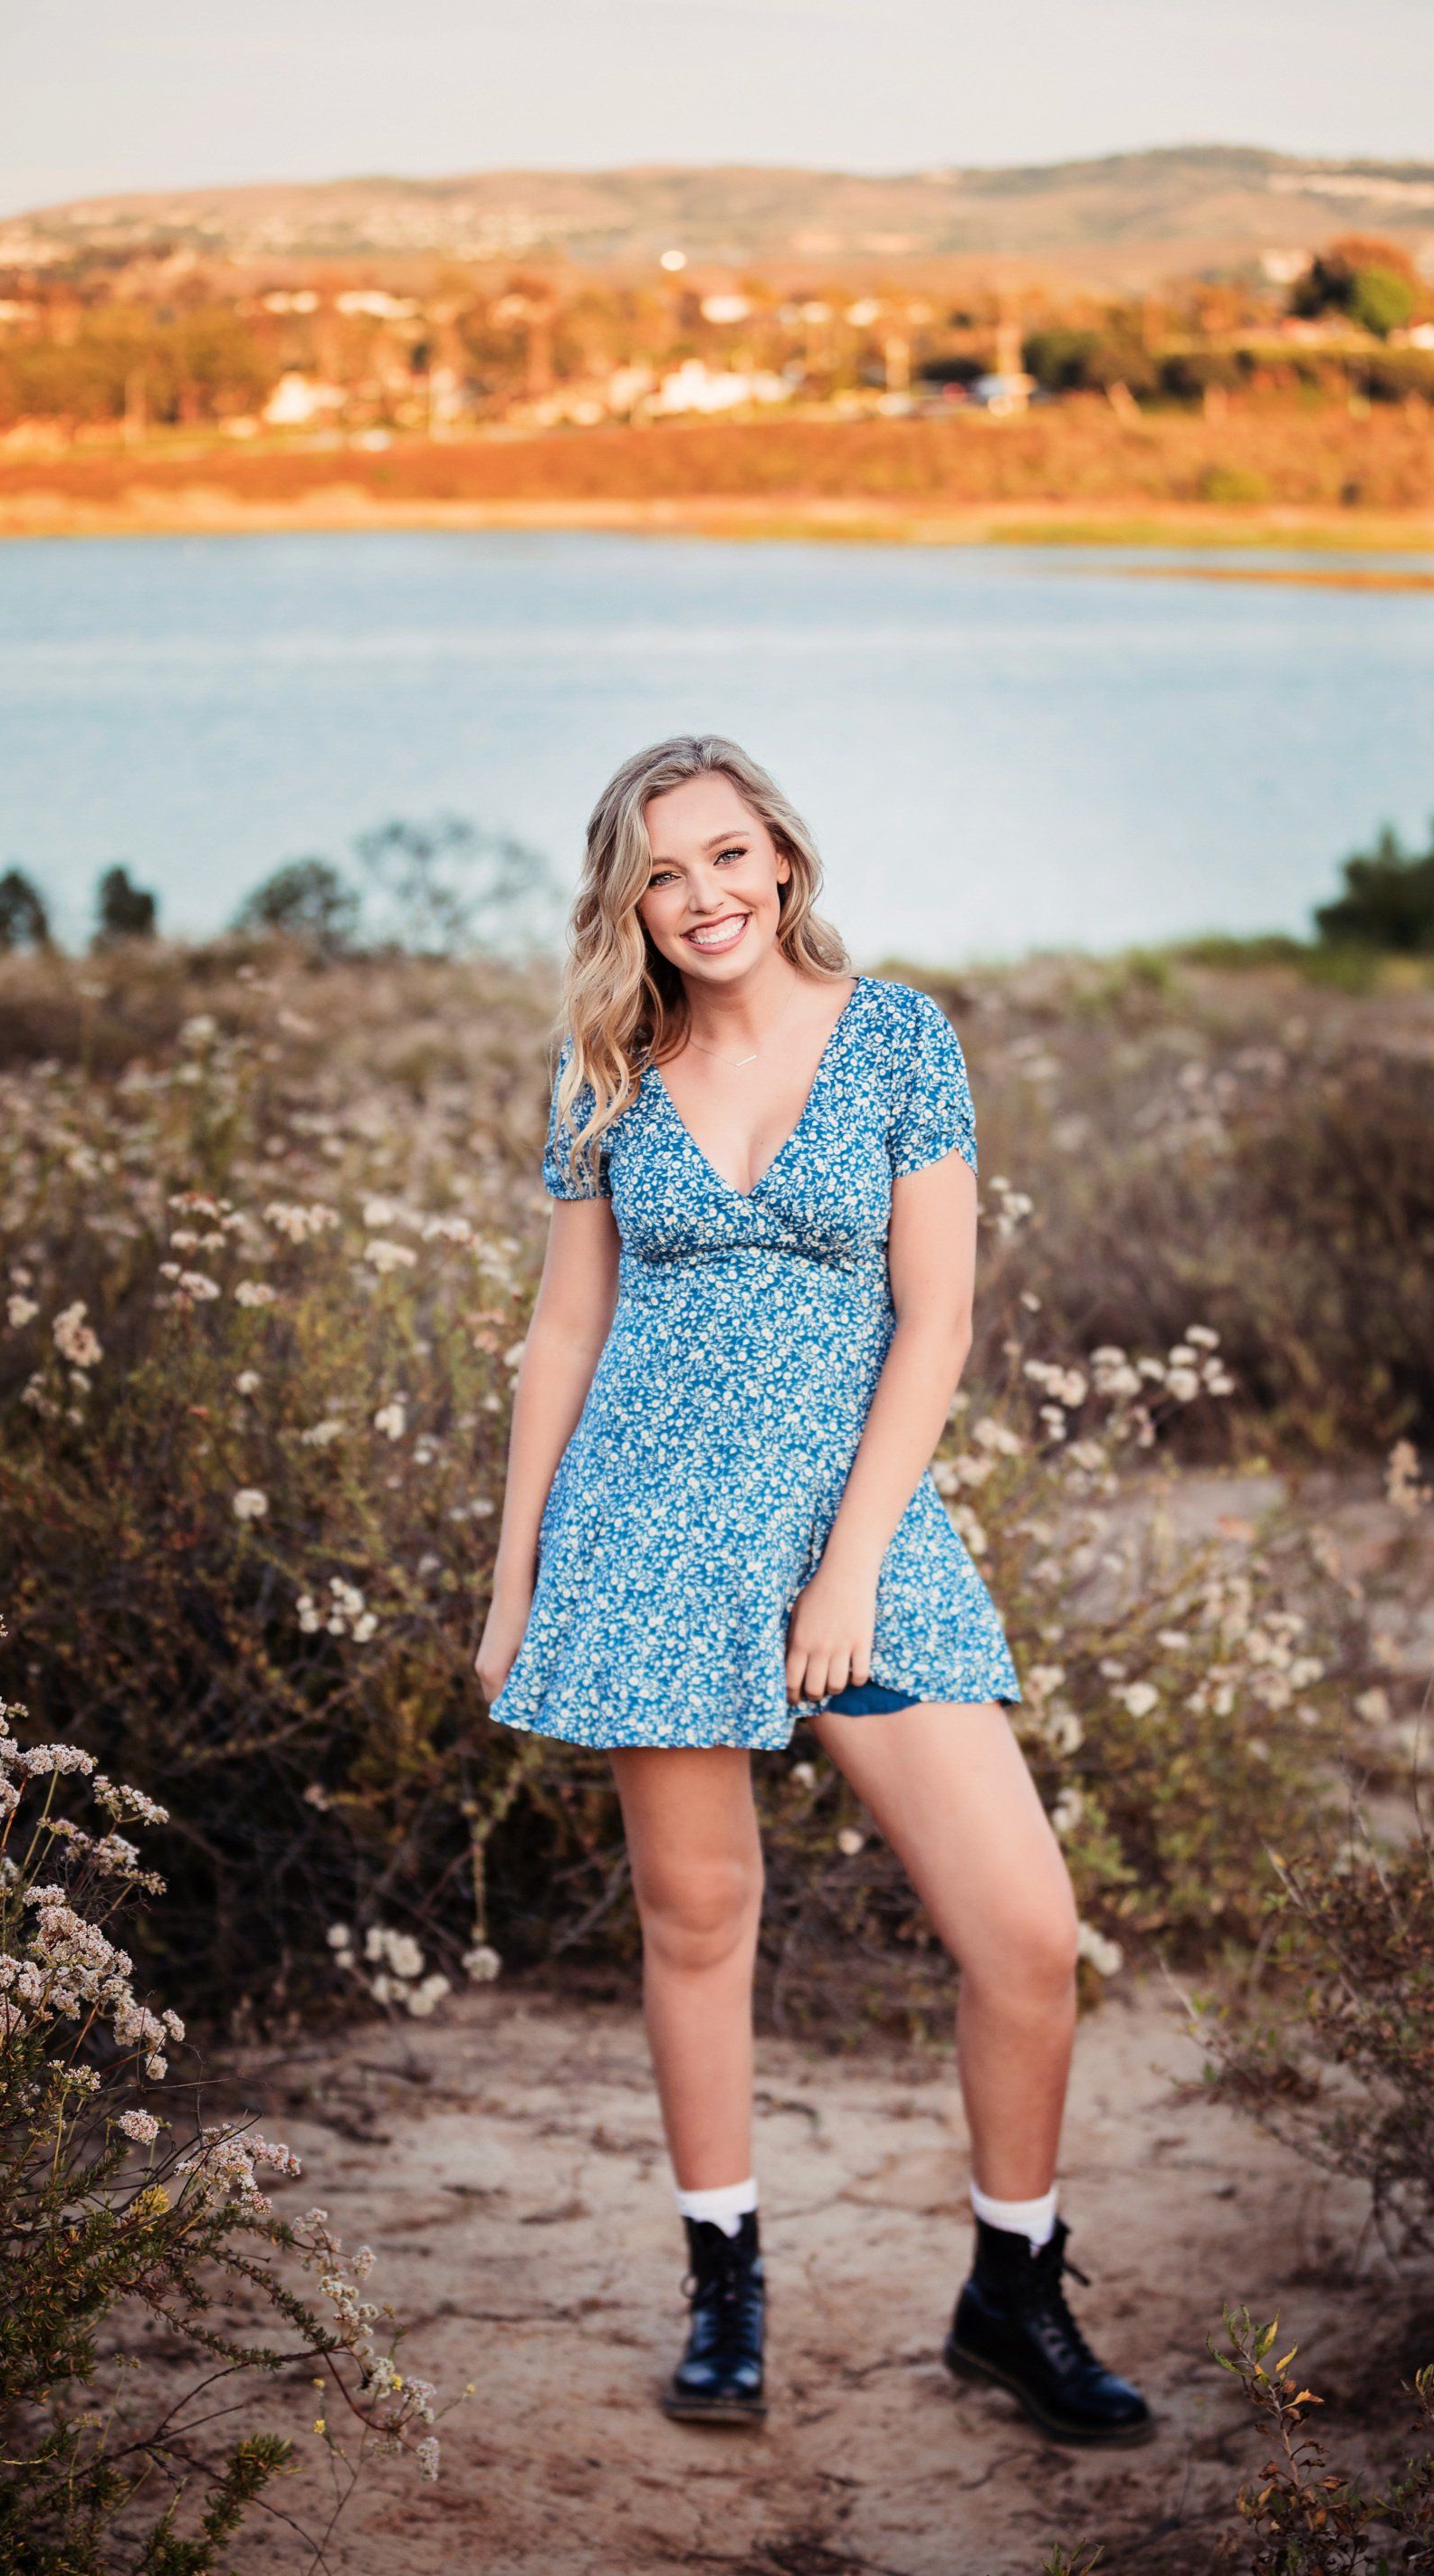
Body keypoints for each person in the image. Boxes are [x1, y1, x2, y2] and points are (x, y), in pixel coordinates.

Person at [475, 734, 1151, 2447]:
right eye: (660, 874)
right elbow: (565, 1329)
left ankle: (1013, 2292)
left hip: (866, 1536)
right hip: (649, 1530)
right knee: (699, 1921)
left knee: (1026, 1935)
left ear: (780, 855)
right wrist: (514, 1576)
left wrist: (847, 1571)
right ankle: (725, 2285)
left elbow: (939, 1320)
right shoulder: (606, 1072)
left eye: (725, 855)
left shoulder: (901, 1035)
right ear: (627, 902)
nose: (702, 896)